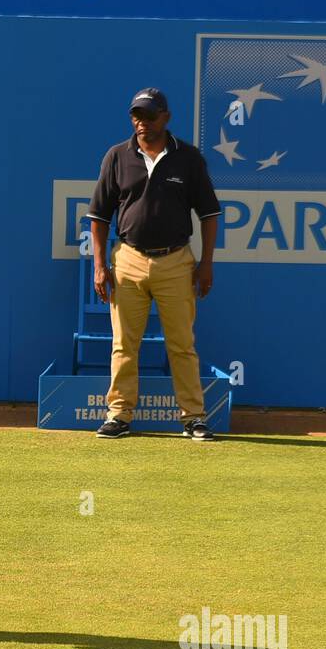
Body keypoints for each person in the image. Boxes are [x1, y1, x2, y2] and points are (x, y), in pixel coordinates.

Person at [85, 88, 222, 441]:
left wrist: (206, 264)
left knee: (181, 344)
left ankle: (193, 417)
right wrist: (100, 266)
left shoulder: (188, 158)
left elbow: (208, 214)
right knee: (124, 344)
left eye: (148, 116)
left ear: (165, 117)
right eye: (136, 115)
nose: (141, 122)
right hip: (128, 259)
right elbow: (98, 217)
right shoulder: (117, 156)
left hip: (176, 260)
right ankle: (119, 415)